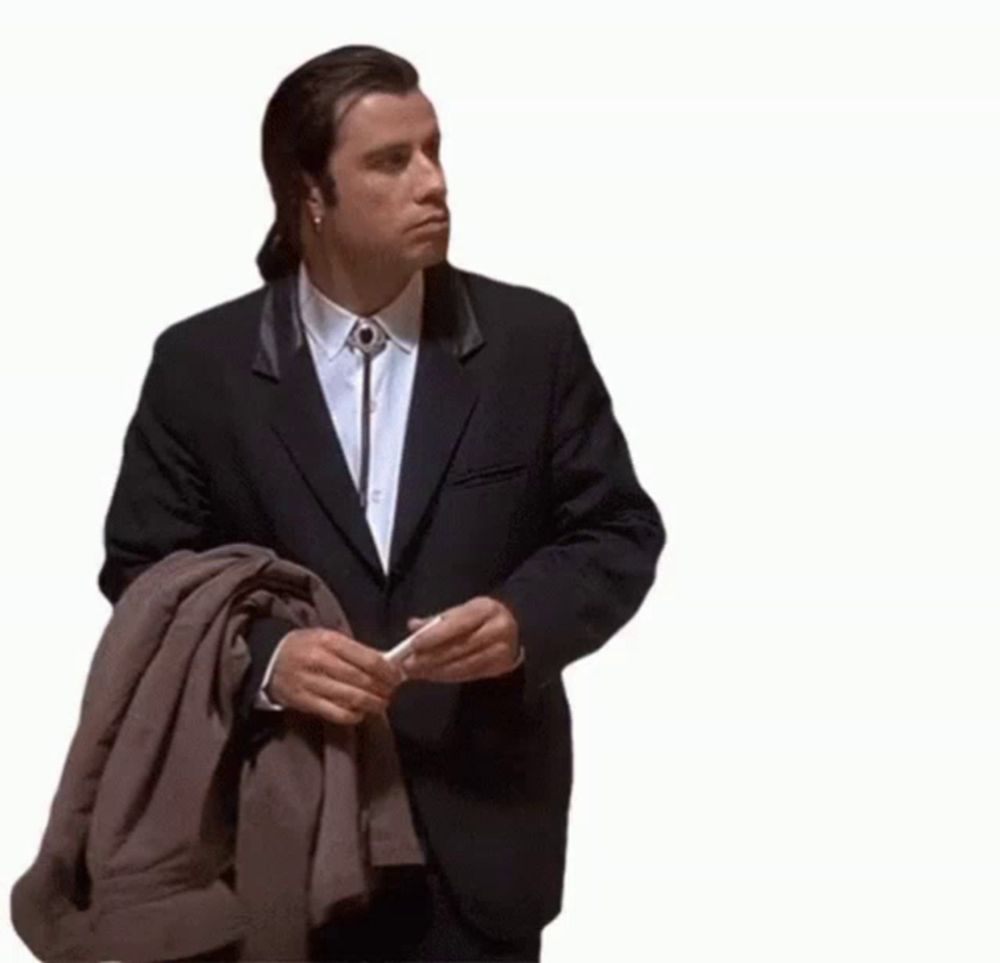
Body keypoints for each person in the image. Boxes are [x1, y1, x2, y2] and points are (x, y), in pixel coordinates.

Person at [98, 43, 666, 963]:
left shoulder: (533, 342)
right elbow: (144, 572)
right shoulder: (198, 368)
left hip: (481, 845)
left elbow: (617, 531)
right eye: (391, 161)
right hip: (275, 840)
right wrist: (270, 661)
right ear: (309, 194)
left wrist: (521, 621)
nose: (433, 182)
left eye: (434, 150)